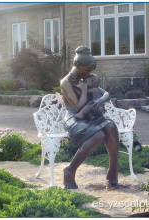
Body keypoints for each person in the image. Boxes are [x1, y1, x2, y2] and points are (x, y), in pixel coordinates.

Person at [60, 46, 119, 189]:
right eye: (87, 70)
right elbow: (79, 107)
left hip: (91, 115)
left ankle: (113, 170)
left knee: (111, 127)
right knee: (97, 135)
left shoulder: (84, 77)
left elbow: (105, 94)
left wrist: (99, 100)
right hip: (75, 117)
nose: (89, 73)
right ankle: (70, 170)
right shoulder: (66, 82)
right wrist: (85, 89)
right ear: (78, 66)